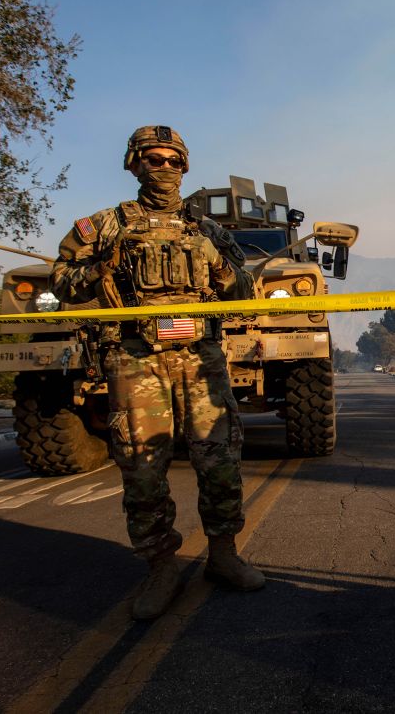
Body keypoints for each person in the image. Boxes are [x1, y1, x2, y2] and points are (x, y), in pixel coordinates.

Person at [51, 125, 262, 620]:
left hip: (201, 359)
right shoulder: (103, 227)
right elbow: (61, 280)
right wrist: (99, 270)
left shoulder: (208, 231)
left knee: (220, 460)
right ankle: (161, 567)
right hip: (136, 358)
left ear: (185, 167)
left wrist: (222, 269)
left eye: (172, 160)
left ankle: (224, 554)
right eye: (152, 159)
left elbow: (244, 289)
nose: (163, 168)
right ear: (133, 164)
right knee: (142, 467)